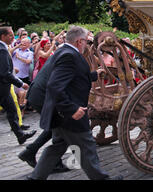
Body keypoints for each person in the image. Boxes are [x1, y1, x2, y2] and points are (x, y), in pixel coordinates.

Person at [28, 26, 122, 180]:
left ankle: (34, 178)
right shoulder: (69, 55)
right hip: (68, 111)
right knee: (86, 146)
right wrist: (71, 109)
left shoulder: (64, 51)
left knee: (57, 147)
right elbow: (55, 85)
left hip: (58, 108)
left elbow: (72, 75)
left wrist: (93, 75)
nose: (87, 44)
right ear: (79, 41)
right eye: (86, 40)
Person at [18, 54, 71, 174]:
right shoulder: (69, 56)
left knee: (54, 126)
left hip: (37, 93)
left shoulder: (60, 54)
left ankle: (30, 151)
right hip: (43, 95)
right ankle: (53, 162)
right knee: (60, 127)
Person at [0, 26, 36, 145]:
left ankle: (20, 136)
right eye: (10, 35)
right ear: (3, 36)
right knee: (11, 109)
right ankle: (20, 135)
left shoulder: (4, 48)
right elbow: (4, 73)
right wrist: (20, 83)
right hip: (2, 87)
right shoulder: (2, 49)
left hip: (4, 87)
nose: (13, 37)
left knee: (12, 109)